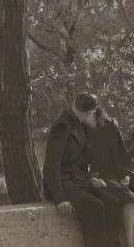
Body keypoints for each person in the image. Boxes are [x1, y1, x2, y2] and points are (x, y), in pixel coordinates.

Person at [43, 93, 121, 247]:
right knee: (96, 207)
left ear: (74, 103)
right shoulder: (63, 126)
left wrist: (91, 178)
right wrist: (60, 198)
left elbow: (81, 162)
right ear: (90, 112)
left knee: (112, 202)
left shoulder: (78, 124)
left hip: (78, 181)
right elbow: (51, 165)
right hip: (64, 184)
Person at [84, 105, 134, 247]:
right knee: (128, 201)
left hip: (122, 174)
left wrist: (126, 175)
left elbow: (124, 155)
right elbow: (90, 163)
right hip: (104, 177)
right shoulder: (87, 134)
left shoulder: (112, 128)